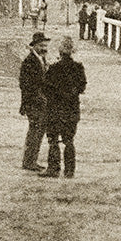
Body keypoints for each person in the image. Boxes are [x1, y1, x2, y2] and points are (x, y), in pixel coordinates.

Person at [41, 37, 87, 178]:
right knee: (69, 140)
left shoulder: (54, 68)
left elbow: (45, 88)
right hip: (71, 109)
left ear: (60, 52)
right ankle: (69, 170)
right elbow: (82, 86)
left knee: (53, 139)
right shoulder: (78, 68)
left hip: (55, 109)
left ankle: (54, 169)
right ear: (72, 51)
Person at [19, 31, 51, 172]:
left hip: (40, 103)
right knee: (35, 132)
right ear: (35, 46)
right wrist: (38, 98)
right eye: (41, 46)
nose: (44, 49)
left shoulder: (41, 59)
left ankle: (31, 160)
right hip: (33, 103)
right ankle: (29, 161)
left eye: (45, 46)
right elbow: (27, 85)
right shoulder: (30, 61)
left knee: (37, 132)